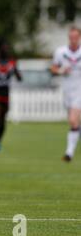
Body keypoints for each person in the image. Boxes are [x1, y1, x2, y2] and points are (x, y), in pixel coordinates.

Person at [50, 26, 81, 162]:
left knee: (73, 120)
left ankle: (69, 153)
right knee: (75, 121)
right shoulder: (61, 52)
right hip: (67, 90)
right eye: (71, 37)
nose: (73, 40)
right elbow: (53, 68)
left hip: (79, 90)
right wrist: (62, 71)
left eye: (76, 37)